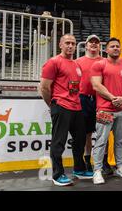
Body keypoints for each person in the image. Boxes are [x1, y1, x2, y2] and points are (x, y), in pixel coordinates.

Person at [40, 34, 93, 186]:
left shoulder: (75, 64)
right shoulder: (53, 62)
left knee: (80, 140)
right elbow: (44, 87)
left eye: (73, 43)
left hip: (76, 107)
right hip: (61, 106)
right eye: (67, 43)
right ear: (60, 45)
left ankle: (79, 169)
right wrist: (53, 104)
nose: (70, 46)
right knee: (59, 142)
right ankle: (57, 175)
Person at [90, 37, 122, 184]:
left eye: (118, 46)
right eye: (112, 46)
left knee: (121, 140)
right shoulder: (99, 64)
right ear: (106, 49)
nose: (116, 48)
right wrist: (112, 97)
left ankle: (120, 166)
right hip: (104, 110)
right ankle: (97, 170)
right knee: (101, 141)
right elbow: (96, 85)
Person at [76, 35, 112, 175]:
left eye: (96, 42)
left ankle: (103, 161)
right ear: (86, 45)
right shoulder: (78, 62)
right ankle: (87, 160)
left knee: (104, 131)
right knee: (86, 133)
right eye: (91, 42)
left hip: (101, 99)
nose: (93, 44)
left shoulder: (105, 61)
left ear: (100, 46)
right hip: (83, 99)